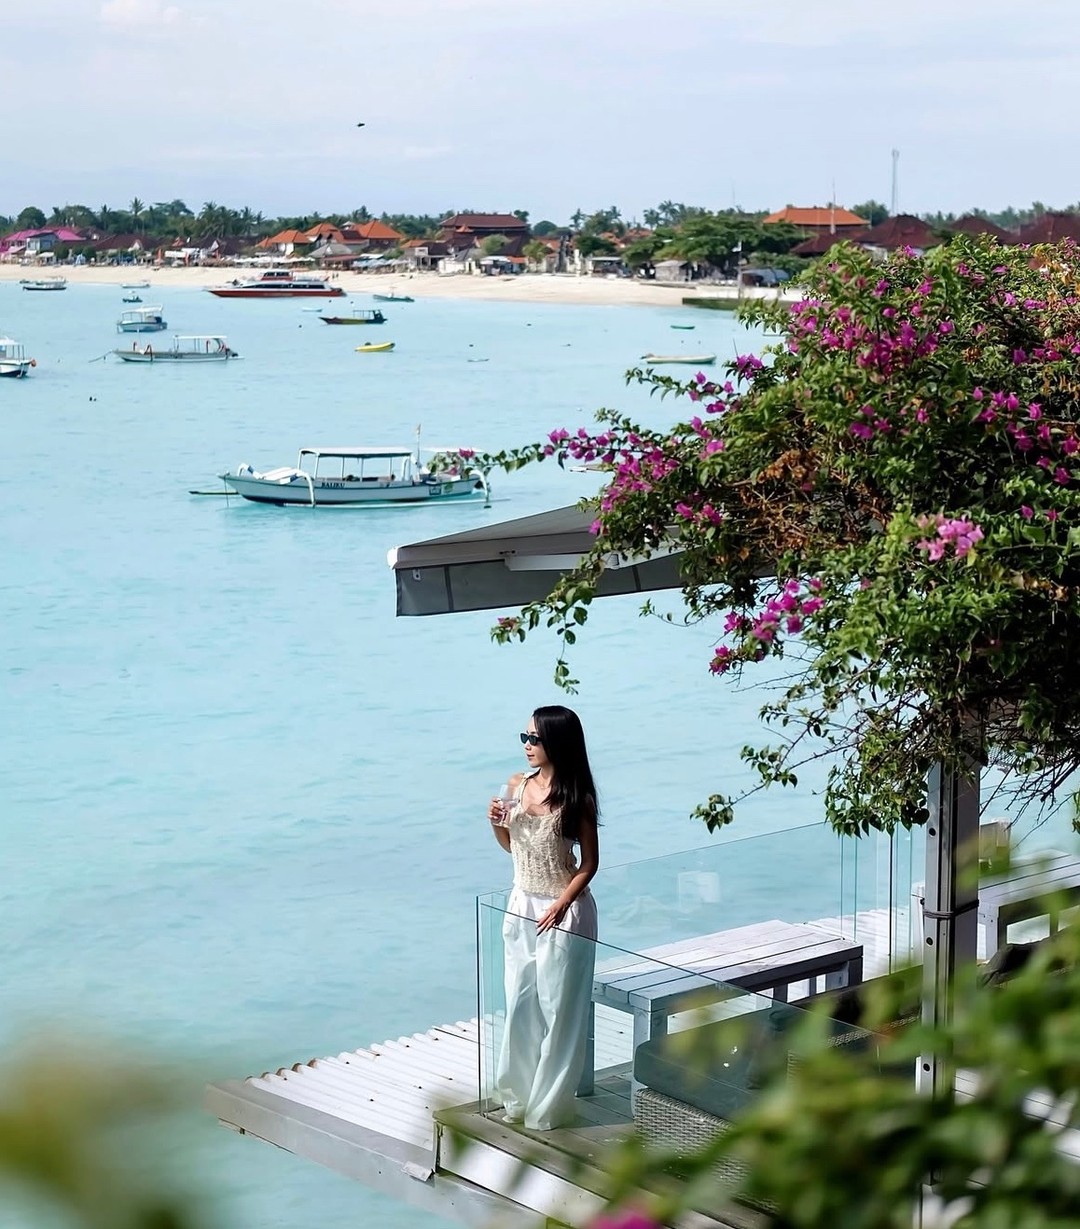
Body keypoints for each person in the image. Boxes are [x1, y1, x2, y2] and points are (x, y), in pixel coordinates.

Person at [486, 705, 599, 1130]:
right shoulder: (517, 785)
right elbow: (513, 848)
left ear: (557, 742)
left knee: (559, 1012)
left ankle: (547, 1109)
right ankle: (516, 1097)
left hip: (565, 911)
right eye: (525, 738)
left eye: (535, 738)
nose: (528, 745)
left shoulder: (577, 798)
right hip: (521, 905)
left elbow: (589, 864)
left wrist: (562, 903)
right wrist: (495, 824)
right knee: (520, 1005)